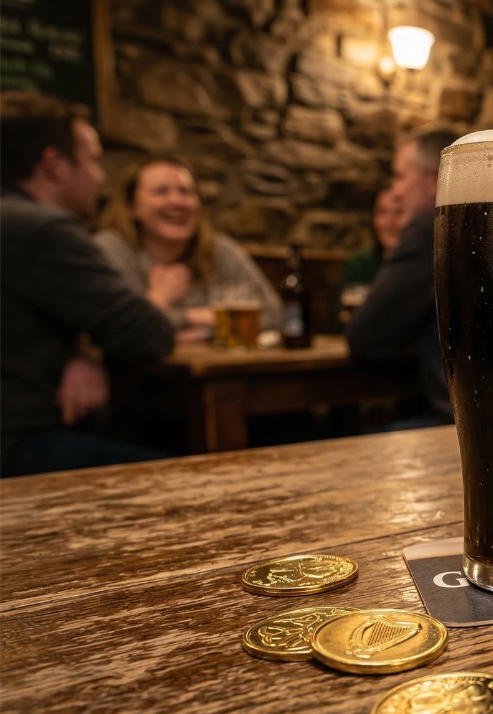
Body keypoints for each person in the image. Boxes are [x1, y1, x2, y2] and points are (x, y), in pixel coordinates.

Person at [1, 91, 174, 477]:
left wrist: (84, 349)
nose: (100, 176)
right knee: (198, 476)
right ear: (53, 164)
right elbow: (150, 335)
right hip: (17, 449)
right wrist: (160, 298)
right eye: (92, 161)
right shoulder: (39, 230)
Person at [93, 156, 283, 341]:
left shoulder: (220, 250)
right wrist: (164, 300)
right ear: (131, 207)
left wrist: (194, 327)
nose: (177, 201)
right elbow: (119, 329)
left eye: (186, 192)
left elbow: (275, 316)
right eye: (161, 191)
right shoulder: (111, 249)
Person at [347, 129, 460, 427]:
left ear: (434, 181)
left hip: (452, 423)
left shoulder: (431, 227)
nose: (395, 191)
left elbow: (364, 338)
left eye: (399, 176)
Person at [339, 187, 404, 303]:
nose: (390, 222)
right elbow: (344, 316)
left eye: (398, 212)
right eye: (382, 212)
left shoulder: (422, 267)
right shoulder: (361, 263)